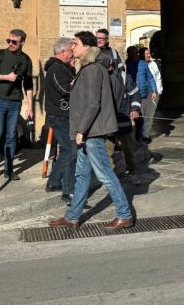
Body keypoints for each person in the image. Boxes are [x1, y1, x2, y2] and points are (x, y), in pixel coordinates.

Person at [49, 32, 135, 230]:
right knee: (82, 175)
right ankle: (72, 216)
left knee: (105, 173)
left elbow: (93, 104)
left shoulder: (93, 69)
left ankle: (124, 214)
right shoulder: (87, 68)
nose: (72, 48)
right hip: (88, 131)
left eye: (76, 44)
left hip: (93, 131)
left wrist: (82, 130)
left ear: (87, 47)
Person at [0, 29, 35, 181]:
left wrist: (30, 106)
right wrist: (6, 77)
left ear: (22, 42)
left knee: (11, 136)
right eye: (9, 41)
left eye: (14, 42)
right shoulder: (0, 54)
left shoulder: (26, 60)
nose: (11, 44)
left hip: (16, 102)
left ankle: (9, 169)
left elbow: (29, 84)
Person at [44, 37, 77, 200]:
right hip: (60, 117)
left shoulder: (64, 68)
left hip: (65, 116)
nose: (74, 54)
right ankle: (68, 190)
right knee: (72, 151)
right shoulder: (56, 69)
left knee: (66, 150)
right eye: (72, 50)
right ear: (63, 51)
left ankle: (54, 182)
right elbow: (65, 89)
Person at [103, 50, 139, 182]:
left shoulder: (124, 77)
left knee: (128, 149)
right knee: (108, 152)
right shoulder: (100, 76)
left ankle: (132, 171)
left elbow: (135, 94)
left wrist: (135, 109)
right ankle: (112, 177)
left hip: (123, 120)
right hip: (107, 122)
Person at [135, 46, 159, 144]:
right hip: (137, 95)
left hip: (147, 94)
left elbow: (151, 78)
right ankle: (139, 136)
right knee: (140, 116)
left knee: (146, 116)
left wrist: (154, 91)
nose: (149, 55)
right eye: (147, 54)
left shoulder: (150, 64)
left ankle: (144, 136)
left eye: (149, 53)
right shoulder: (131, 64)